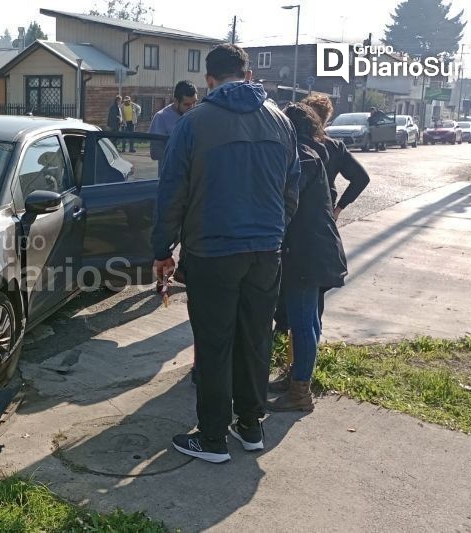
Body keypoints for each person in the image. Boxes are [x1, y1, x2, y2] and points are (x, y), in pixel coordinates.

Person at [152, 44, 300, 463]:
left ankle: (213, 437)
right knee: (255, 339)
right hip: (266, 251)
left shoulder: (194, 123)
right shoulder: (281, 122)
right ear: (248, 74)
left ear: (209, 80)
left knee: (214, 344)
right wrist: (273, 231)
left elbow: (171, 192)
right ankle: (251, 427)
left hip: (212, 252)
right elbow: (293, 189)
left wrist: (163, 249)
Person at [271, 94, 370, 341]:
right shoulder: (335, 147)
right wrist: (337, 209)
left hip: (292, 223)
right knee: (314, 292)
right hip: (320, 221)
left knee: (289, 283)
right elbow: (361, 178)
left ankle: (287, 338)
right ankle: (307, 345)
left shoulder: (294, 147)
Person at [268, 103, 347, 412]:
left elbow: (284, 203)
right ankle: (296, 380)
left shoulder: (300, 157)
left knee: (303, 323)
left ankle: (300, 393)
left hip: (307, 254)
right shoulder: (311, 154)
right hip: (316, 250)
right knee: (308, 321)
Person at [149, 81, 198, 163]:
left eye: (194, 102)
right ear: (176, 101)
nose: (192, 108)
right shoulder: (161, 118)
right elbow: (155, 153)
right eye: (187, 104)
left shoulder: (198, 115)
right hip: (171, 173)